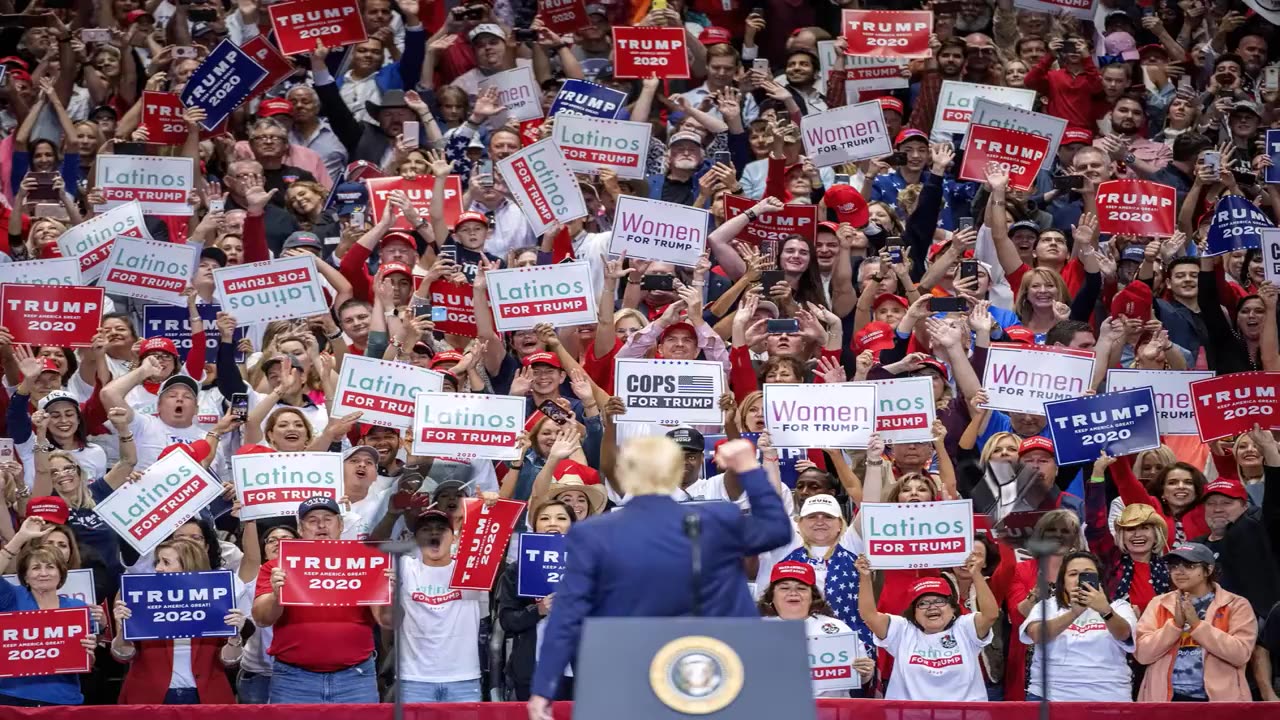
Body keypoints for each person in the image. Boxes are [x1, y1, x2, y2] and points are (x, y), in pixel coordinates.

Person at [528, 437, 791, 719]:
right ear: (676, 472)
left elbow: (567, 614)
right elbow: (777, 529)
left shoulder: (594, 533)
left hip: (629, 678)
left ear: (625, 474)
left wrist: (544, 689)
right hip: (712, 674)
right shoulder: (718, 519)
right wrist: (748, 467)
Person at [251, 497, 394, 704]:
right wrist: (276, 595)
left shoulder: (366, 562)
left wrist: (389, 593)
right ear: (300, 528)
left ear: (341, 525)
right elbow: (262, 619)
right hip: (293, 680)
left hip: (355, 679)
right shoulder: (277, 566)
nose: (321, 525)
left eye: (328, 518)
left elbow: (387, 621)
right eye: (312, 520)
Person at [110, 538, 246, 704]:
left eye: (166, 562)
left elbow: (228, 661)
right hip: (148, 697)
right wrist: (124, 631)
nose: (158, 568)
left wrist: (234, 637)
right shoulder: (141, 599)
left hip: (207, 697)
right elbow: (123, 656)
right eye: (157, 562)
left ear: (188, 565)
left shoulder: (217, 599)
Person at [856, 553, 999, 702]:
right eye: (923, 604)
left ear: (953, 609)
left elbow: (990, 615)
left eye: (939, 601)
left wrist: (976, 573)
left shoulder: (965, 627)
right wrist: (865, 576)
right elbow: (869, 616)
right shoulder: (902, 630)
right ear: (914, 613)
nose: (932, 607)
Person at [1135, 543, 1257, 701]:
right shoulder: (1159, 603)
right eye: (1174, 566)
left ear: (1209, 569)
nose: (1179, 571)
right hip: (1165, 701)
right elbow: (1143, 655)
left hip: (1218, 703)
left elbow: (1240, 654)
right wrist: (1174, 626)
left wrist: (1197, 625)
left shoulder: (1236, 604)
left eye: (1189, 566)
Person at [1020, 550, 1139, 701]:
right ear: (1062, 582)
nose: (1079, 579)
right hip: (1050, 696)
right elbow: (1036, 635)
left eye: (1087, 573)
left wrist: (1105, 611)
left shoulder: (1119, 607)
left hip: (1109, 696)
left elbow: (1124, 634)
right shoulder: (1047, 607)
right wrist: (1074, 613)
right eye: (1073, 574)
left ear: (1100, 579)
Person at [758, 561, 874, 697]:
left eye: (801, 588)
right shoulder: (754, 630)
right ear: (772, 595)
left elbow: (862, 678)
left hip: (829, 713)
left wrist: (865, 671)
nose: (793, 593)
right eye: (784, 588)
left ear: (812, 596)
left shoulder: (837, 628)